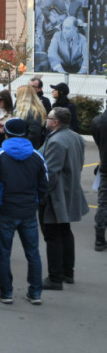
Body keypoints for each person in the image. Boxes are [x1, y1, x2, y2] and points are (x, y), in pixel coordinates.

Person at [0, 118, 48, 305]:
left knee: (3, 252)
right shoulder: (37, 156)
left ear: (7, 132)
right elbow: (44, 184)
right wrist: (35, 202)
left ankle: (6, 292)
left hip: (5, 210)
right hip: (28, 210)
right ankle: (35, 292)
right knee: (33, 253)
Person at [40, 107, 89, 291]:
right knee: (65, 232)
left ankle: (55, 278)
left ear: (56, 122)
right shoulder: (76, 137)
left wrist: (41, 195)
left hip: (56, 196)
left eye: (49, 117)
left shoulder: (56, 141)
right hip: (70, 191)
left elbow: (51, 174)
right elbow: (80, 164)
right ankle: (68, 272)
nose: (46, 120)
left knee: (52, 235)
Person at [91, 106, 107, 251]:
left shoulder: (98, 121)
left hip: (105, 165)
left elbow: (99, 143)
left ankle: (99, 239)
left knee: (103, 203)